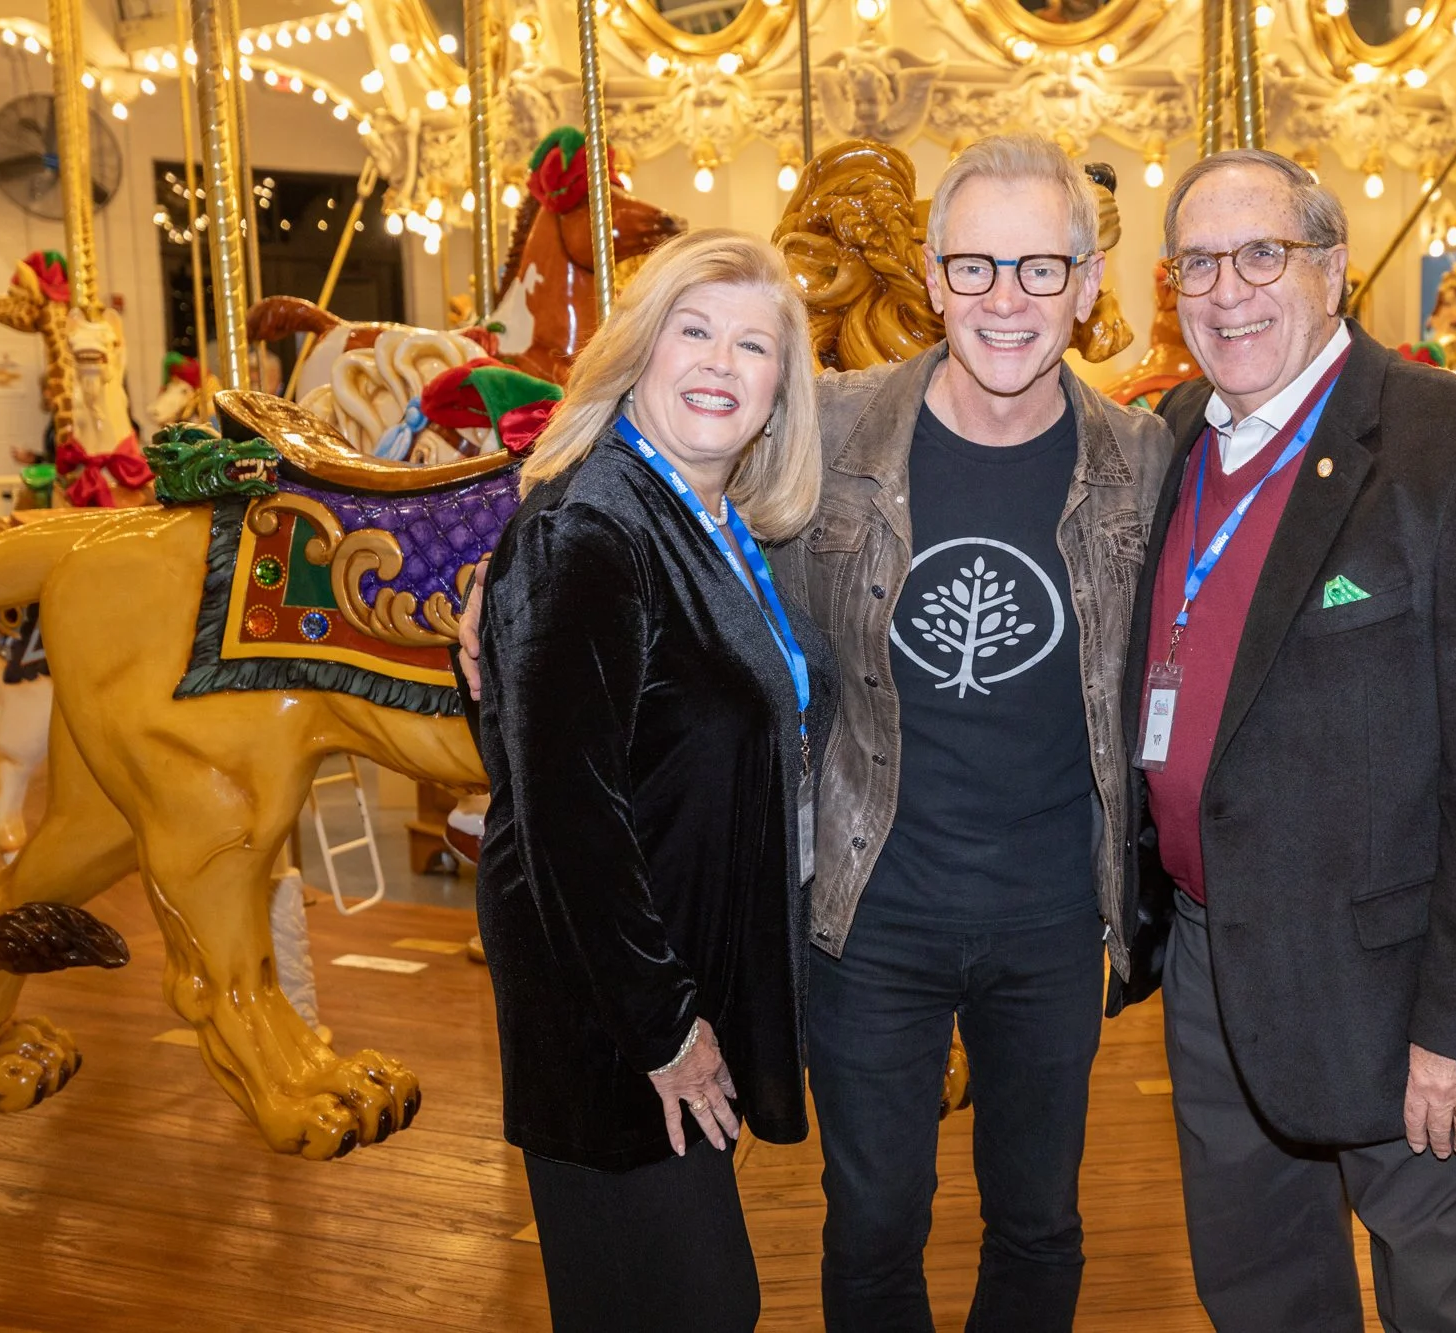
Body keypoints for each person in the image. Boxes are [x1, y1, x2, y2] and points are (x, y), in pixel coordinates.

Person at [1118, 149, 1456, 1330]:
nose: (1226, 291)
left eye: (1261, 254)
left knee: (1451, 1311)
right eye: (1197, 264)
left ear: (1332, 269)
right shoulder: (1165, 435)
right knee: (1260, 1300)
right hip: (1209, 966)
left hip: (1398, 999)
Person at [782, 134, 1171, 1332]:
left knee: (1039, 1223)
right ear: (934, 276)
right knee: (873, 1226)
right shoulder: (829, 433)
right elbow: (665, 501)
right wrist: (520, 557)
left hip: (1053, 918)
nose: (1006, 300)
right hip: (869, 906)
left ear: (1088, 283)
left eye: (1040, 269)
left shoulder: (1142, 459)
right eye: (975, 267)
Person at [471, 229, 834, 1332]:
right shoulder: (595, 525)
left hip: (671, 987)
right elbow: (568, 816)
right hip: (612, 1013)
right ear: (640, 352)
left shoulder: (707, 521)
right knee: (693, 1301)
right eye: (693, 331)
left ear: (780, 392)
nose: (721, 364)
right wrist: (667, 1027)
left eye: (753, 346)